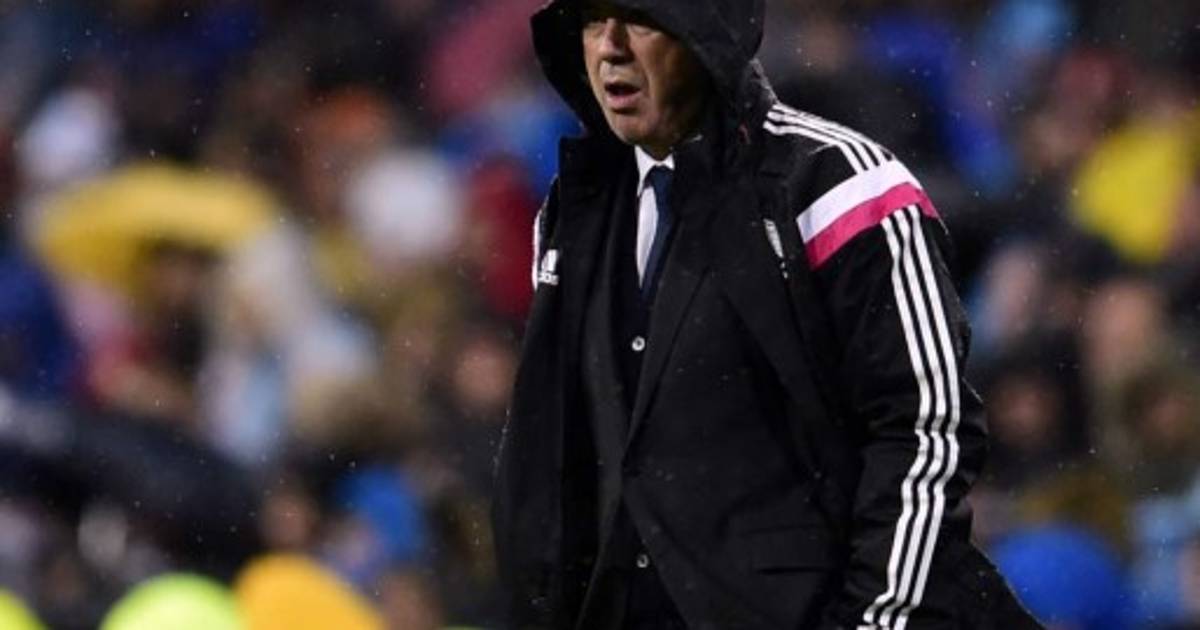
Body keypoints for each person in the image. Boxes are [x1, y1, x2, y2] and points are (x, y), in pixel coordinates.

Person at [492, 0, 1042, 628]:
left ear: (707, 31)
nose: (609, 47)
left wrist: (871, 621)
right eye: (593, 20)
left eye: (639, 18)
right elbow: (557, 462)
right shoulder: (573, 216)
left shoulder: (841, 185)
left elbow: (924, 431)